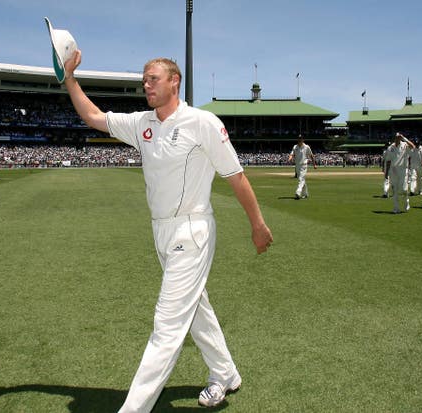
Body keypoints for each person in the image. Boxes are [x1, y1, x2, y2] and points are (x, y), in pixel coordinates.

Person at [63, 51, 273, 412]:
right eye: (144, 80)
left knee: (168, 324)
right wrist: (68, 78)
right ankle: (225, 373)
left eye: (153, 79)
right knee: (195, 309)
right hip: (160, 231)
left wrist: (257, 224)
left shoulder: (201, 122)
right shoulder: (142, 122)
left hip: (192, 230)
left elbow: (235, 176)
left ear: (174, 81)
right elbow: (94, 117)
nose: (146, 85)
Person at [384, 132, 415, 213]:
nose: (397, 138)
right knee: (395, 190)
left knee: (404, 189)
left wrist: (404, 138)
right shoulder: (391, 147)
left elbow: (413, 146)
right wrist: (386, 173)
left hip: (403, 170)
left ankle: (406, 203)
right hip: (393, 171)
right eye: (396, 137)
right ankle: (396, 208)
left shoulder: (405, 145)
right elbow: (388, 161)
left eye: (399, 137)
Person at [288, 134, 316, 199]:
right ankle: (305, 193)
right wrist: (290, 158)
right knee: (302, 179)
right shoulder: (295, 147)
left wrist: (314, 164)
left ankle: (298, 192)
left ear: (303, 139)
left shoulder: (307, 147)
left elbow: (311, 155)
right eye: (299, 138)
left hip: (304, 165)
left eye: (301, 138)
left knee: (301, 179)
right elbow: (292, 154)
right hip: (297, 166)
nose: (300, 140)